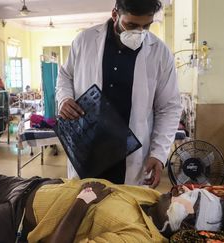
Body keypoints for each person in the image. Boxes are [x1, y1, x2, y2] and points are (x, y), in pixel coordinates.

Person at [0, 167, 224, 243]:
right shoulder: (153, 198)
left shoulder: (137, 238)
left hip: (20, 221)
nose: (177, 191)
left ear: (187, 221)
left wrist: (83, 202)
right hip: (35, 185)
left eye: (188, 198)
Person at [56, 0, 182, 187]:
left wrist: (159, 154)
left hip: (129, 154)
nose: (139, 32)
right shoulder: (85, 41)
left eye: (145, 26)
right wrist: (64, 99)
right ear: (115, 14)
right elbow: (66, 75)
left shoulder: (160, 53)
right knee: (84, 202)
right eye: (131, 25)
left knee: (124, 209)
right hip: (89, 146)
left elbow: (169, 107)